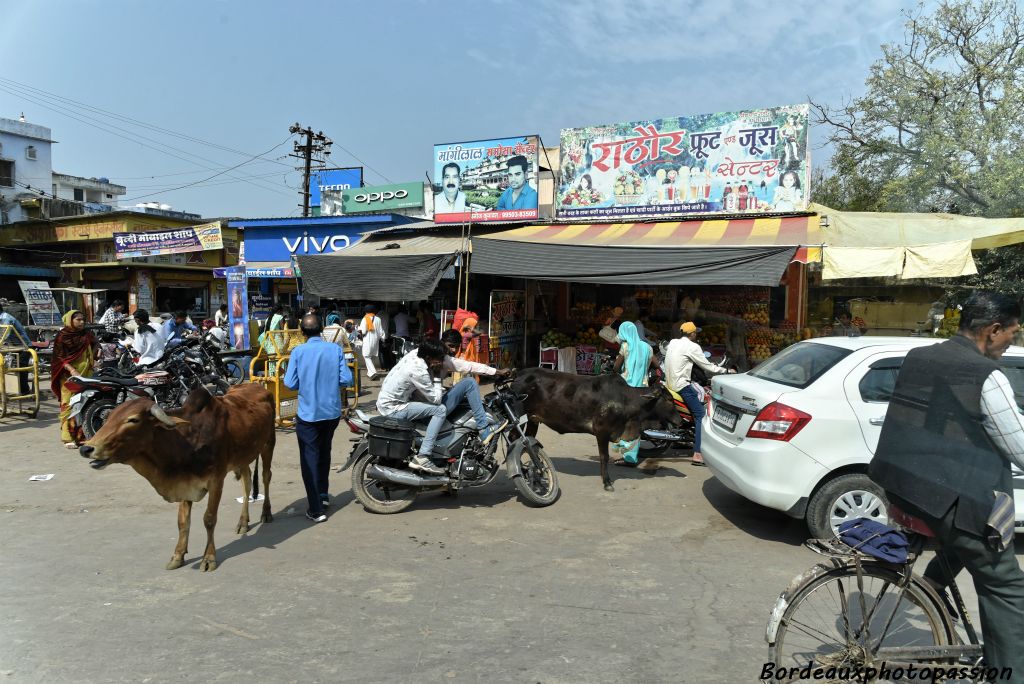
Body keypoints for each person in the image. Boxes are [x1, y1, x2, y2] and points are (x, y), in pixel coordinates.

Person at [869, 291, 1024, 678]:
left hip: (905, 487)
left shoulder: (921, 356)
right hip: (944, 497)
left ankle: (932, 592)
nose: (1013, 342)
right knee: (1007, 587)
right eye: (1013, 334)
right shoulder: (986, 376)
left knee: (959, 544)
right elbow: (1020, 448)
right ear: (993, 331)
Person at [377, 337, 507, 475]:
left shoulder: (418, 354)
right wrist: (438, 375)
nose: (443, 361)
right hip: (395, 408)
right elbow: (436, 399)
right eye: (439, 358)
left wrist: (496, 372)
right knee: (442, 408)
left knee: (466, 385)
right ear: (428, 356)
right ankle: (423, 456)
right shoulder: (417, 370)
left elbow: (466, 365)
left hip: (395, 402)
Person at [284, 314, 353, 523]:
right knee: (324, 452)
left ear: (302, 332)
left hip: (308, 415)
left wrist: (306, 382)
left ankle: (316, 509)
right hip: (331, 413)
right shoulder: (334, 349)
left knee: (309, 459)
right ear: (321, 329)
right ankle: (322, 494)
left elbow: (289, 383)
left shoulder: (298, 352)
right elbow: (346, 379)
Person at [665, 322, 733, 466]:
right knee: (701, 416)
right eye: (696, 333)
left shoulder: (673, 342)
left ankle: (683, 442)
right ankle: (698, 454)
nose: (696, 335)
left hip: (669, 384)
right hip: (681, 386)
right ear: (692, 334)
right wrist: (726, 371)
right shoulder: (693, 347)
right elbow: (707, 366)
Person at [50, 310, 98, 448]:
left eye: (83, 319)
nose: (82, 322)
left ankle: (82, 435)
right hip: (68, 376)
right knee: (68, 404)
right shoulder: (62, 336)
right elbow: (60, 357)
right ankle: (67, 436)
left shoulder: (86, 334)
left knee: (85, 404)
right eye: (78, 319)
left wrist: (95, 355)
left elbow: (96, 343)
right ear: (70, 320)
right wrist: (72, 370)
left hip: (86, 374)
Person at [359, 304, 386, 380]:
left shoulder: (365, 318)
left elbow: (363, 331)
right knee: (371, 356)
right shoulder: (378, 319)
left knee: (366, 356)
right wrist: (383, 339)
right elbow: (381, 331)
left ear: (366, 311)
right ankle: (369, 373)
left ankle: (373, 372)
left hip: (368, 339)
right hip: (376, 340)